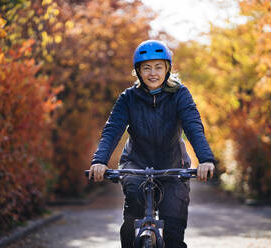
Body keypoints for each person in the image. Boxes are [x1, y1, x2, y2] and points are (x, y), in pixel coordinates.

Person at [89, 40, 215, 248]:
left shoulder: (180, 95)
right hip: (136, 164)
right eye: (146, 68)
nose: (153, 73)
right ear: (138, 71)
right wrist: (99, 161)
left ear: (167, 69)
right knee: (132, 219)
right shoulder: (128, 98)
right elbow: (112, 129)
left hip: (174, 167)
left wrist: (206, 159)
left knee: (174, 233)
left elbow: (193, 126)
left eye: (158, 67)